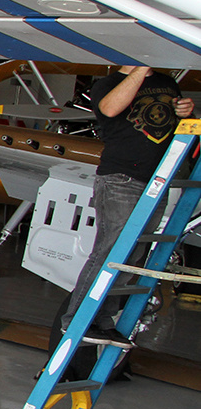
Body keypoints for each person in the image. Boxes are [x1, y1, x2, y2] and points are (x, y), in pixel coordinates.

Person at [56, 64, 194, 348]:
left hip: (157, 178)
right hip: (121, 177)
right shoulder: (107, 84)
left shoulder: (167, 82)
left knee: (133, 254)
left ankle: (103, 321)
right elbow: (109, 108)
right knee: (111, 248)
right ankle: (77, 320)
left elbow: (172, 125)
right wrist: (140, 69)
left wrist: (185, 111)